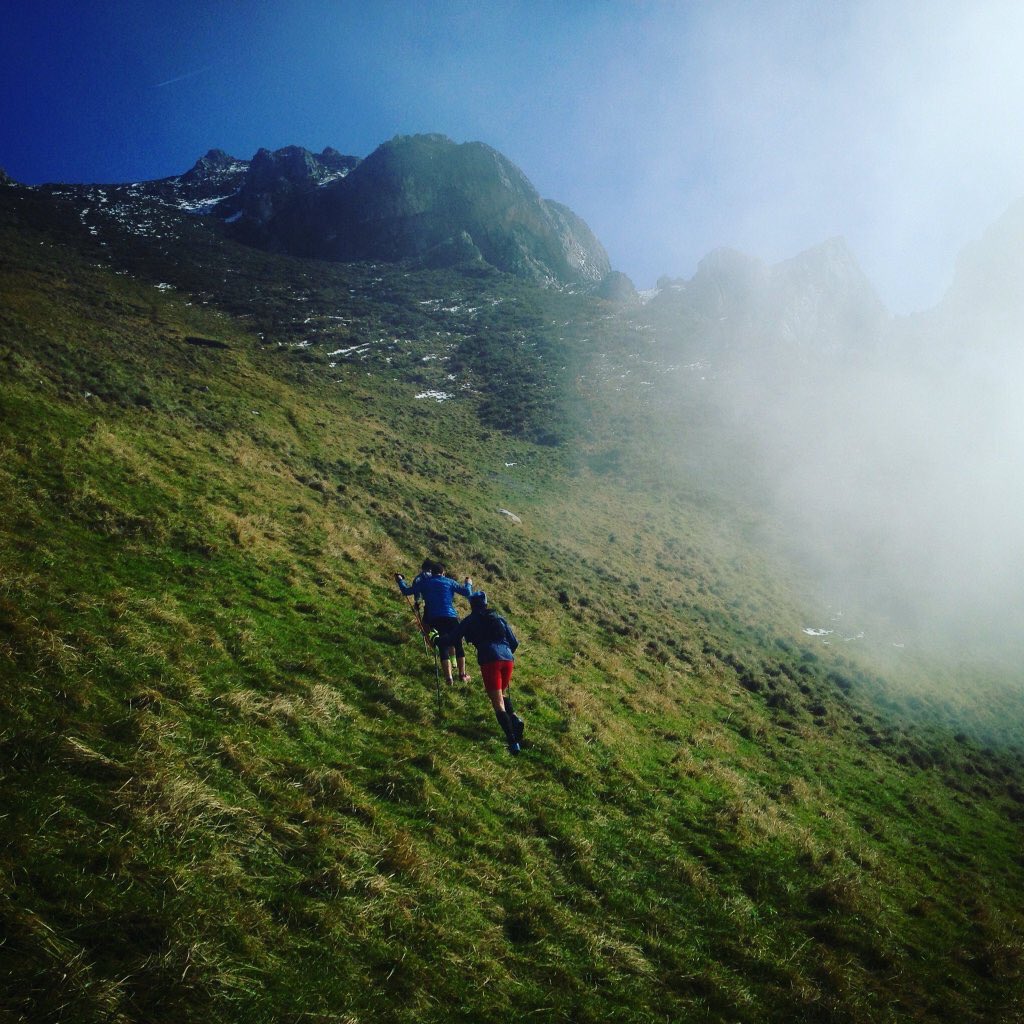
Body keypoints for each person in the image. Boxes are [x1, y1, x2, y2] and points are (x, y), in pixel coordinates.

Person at [435, 591, 524, 755]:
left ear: (472, 605)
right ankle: (514, 718)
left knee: (497, 702)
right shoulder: (499, 617)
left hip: (490, 659)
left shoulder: (470, 620)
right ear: (486, 604)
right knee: (501, 693)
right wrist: (506, 652)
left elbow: (452, 638)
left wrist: (436, 639)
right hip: (507, 658)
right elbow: (515, 642)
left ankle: (512, 742)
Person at [395, 560, 473, 684]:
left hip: (434, 618)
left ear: (432, 572)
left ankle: (448, 678)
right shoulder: (449, 582)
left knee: (442, 645)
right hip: (450, 616)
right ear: (443, 572)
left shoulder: (424, 583)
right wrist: (468, 583)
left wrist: (400, 580)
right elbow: (467, 592)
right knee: (458, 644)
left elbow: (406, 591)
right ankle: (462, 675)